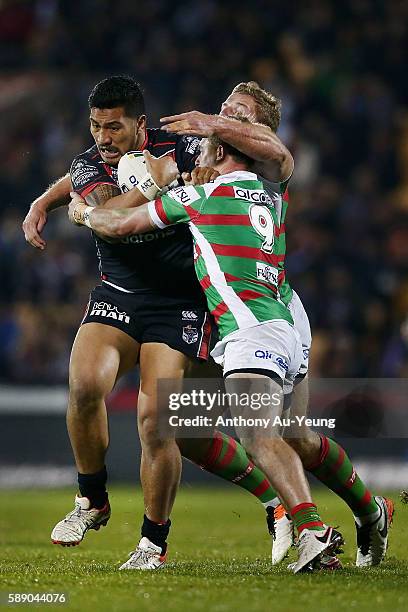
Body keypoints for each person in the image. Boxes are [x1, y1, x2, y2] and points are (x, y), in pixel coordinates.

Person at [21, 76, 290, 564]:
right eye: (95, 126)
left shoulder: (187, 147)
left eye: (114, 128)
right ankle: (92, 499)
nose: (103, 138)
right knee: (83, 387)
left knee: (158, 422)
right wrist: (52, 200)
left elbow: (247, 159)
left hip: (182, 301)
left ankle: (152, 542)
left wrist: (197, 173)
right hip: (119, 295)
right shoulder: (89, 162)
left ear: (140, 124)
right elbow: (102, 209)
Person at [68, 126, 345, 574]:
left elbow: (118, 223)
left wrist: (81, 213)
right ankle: (367, 512)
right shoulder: (271, 192)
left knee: (256, 435)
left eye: (210, 148)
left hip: (247, 331)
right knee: (216, 431)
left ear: (221, 152)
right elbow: (276, 155)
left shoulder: (204, 196)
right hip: (287, 320)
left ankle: (313, 531)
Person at [160, 82, 394, 568]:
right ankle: (338, 511)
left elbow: (277, 150)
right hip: (223, 308)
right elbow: (156, 173)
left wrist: (213, 125)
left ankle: (339, 518)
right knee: (226, 428)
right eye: (224, 107)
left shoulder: (268, 166)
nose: (225, 116)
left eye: (239, 114)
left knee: (291, 436)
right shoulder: (207, 157)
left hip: (273, 309)